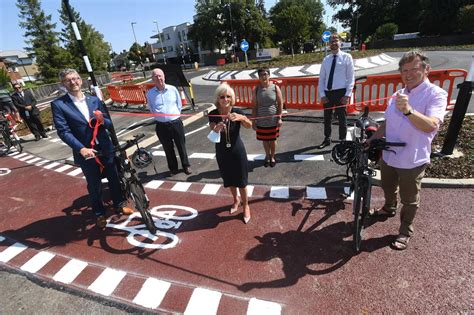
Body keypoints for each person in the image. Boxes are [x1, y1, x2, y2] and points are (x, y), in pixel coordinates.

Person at [367, 50, 447, 250]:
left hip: (412, 158)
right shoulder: (397, 94)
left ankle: (405, 230)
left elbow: (431, 125)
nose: (408, 74)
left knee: (410, 199)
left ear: (426, 70)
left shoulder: (436, 94)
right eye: (404, 70)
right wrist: (372, 139)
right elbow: (388, 123)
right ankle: (388, 208)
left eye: (414, 69)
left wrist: (409, 111)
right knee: (387, 186)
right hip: (389, 154)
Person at [51, 69, 133, 229]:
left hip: (105, 147)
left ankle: (119, 204)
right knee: (94, 184)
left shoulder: (94, 100)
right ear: (63, 84)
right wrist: (81, 148)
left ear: (80, 80)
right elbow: (63, 131)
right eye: (68, 80)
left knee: (114, 178)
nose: (73, 82)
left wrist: (103, 120)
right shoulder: (59, 105)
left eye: (75, 78)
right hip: (86, 153)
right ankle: (99, 213)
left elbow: (109, 124)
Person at [208, 83, 253, 224]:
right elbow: (212, 131)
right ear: (218, 98)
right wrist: (217, 128)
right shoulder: (213, 113)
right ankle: (236, 200)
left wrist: (242, 118)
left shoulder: (238, 111)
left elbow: (250, 125)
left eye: (228, 96)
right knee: (229, 179)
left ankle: (246, 205)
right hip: (222, 150)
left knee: (241, 180)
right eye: (222, 96)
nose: (225, 99)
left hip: (237, 150)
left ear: (232, 98)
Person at [146, 68, 192, 176]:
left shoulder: (173, 89)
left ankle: (186, 166)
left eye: (160, 75)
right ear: (152, 79)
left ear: (164, 76)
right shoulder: (150, 94)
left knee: (181, 145)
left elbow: (179, 105)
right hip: (161, 126)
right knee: (167, 148)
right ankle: (173, 168)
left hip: (176, 123)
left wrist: (173, 115)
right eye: (155, 76)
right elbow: (151, 108)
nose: (158, 78)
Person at [317, 33, 355, 148]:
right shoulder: (326, 60)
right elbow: (322, 78)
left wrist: (347, 95)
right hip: (328, 92)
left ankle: (342, 140)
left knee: (342, 118)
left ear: (340, 42)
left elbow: (351, 77)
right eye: (331, 41)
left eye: (336, 40)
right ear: (329, 44)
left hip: (341, 92)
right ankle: (327, 138)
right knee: (327, 118)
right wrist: (322, 94)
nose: (334, 43)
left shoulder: (347, 57)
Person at [251, 67, 283, 167]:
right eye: (261, 75)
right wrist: (254, 121)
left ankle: (272, 156)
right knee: (265, 140)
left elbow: (280, 103)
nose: (263, 76)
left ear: (269, 75)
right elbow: (254, 106)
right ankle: (267, 156)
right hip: (261, 120)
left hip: (273, 119)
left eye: (265, 74)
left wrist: (279, 117)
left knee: (272, 140)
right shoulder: (256, 89)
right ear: (258, 77)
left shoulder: (275, 87)